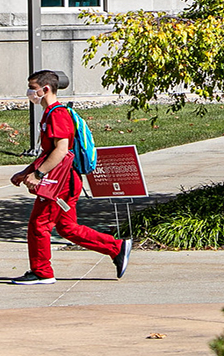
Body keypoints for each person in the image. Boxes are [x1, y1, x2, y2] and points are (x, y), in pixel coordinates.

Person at [8, 70, 132, 284]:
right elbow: (48, 153)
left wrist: (38, 174)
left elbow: (62, 150)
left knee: (39, 224)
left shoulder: (57, 114)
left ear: (45, 89)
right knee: (67, 228)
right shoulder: (50, 114)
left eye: (32, 87)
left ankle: (42, 272)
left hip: (61, 183)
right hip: (65, 181)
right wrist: (26, 172)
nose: (29, 92)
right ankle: (116, 247)